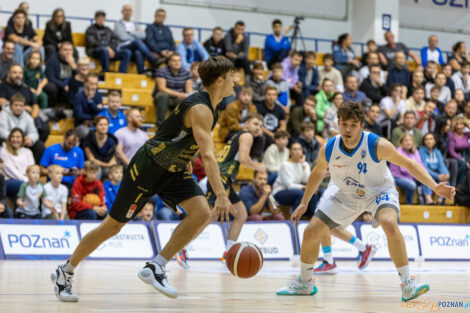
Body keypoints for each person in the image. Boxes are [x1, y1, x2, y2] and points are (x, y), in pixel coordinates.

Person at [51, 56, 235, 301]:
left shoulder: (214, 105)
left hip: (174, 167)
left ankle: (156, 266)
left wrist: (186, 154)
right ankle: (65, 271)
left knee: (201, 212)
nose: (236, 81)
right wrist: (221, 195)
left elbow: (176, 131)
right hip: (149, 166)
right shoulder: (201, 108)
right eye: (232, 77)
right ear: (220, 80)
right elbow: (209, 157)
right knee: (112, 226)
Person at [276, 101, 454, 300]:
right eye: (344, 124)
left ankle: (408, 284)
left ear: (362, 125)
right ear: (338, 123)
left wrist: (434, 186)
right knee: (310, 232)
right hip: (347, 195)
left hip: (380, 192)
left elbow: (410, 164)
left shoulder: (376, 144)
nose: (347, 129)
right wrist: (304, 202)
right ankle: (305, 283)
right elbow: (317, 174)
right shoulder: (329, 147)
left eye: (353, 125)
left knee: (388, 222)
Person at [206, 113, 266, 260]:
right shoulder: (247, 136)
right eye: (255, 124)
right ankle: (183, 248)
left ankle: (228, 252)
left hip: (224, 178)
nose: (258, 127)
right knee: (208, 215)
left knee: (241, 214)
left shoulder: (240, 136)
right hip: (221, 177)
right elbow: (243, 159)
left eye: (260, 125)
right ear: (246, 124)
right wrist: (258, 167)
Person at [0, 64, 49, 144]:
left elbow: (35, 105)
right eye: (15, 73)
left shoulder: (26, 88)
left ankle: (30, 145)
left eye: (20, 73)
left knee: (44, 128)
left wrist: (32, 119)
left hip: (26, 118)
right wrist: (21, 107)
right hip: (8, 117)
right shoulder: (2, 86)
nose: (18, 75)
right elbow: (1, 101)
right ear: (8, 74)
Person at [272, 142, 319, 217]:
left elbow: (307, 180)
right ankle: (294, 218)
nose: (298, 151)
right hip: (280, 192)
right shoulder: (285, 165)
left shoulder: (305, 164)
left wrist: (303, 164)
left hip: (297, 190)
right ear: (290, 151)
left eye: (299, 149)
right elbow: (289, 185)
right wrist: (304, 187)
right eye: (295, 149)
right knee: (302, 194)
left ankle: (311, 217)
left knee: (314, 193)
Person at [0, 93, 44, 163]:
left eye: (21, 106)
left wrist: (30, 139)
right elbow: (2, 132)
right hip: (9, 141)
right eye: (16, 105)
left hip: (23, 142)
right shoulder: (3, 114)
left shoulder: (26, 116)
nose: (18, 108)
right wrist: (17, 138)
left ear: (24, 107)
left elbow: (34, 132)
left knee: (40, 145)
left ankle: (33, 170)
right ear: (11, 105)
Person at [114, 4, 157, 74]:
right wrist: (136, 34)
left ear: (132, 12)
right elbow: (122, 37)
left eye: (130, 10)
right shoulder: (118, 24)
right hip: (123, 46)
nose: (128, 12)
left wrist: (130, 32)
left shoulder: (135, 24)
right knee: (137, 41)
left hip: (134, 48)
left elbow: (143, 35)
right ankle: (152, 59)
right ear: (122, 11)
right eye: (126, 10)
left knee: (138, 52)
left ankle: (141, 73)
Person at [153, 53, 193, 127]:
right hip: (163, 98)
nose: (177, 63)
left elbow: (189, 90)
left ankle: (180, 128)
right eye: (174, 61)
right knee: (163, 96)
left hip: (178, 99)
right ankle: (160, 126)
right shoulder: (161, 71)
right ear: (169, 62)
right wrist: (179, 94)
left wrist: (190, 95)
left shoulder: (186, 73)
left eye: (179, 61)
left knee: (189, 100)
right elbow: (162, 89)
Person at [390, 133, 427, 204]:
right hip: (397, 177)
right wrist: (418, 173)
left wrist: (424, 172)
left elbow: (420, 164)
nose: (408, 142)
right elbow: (404, 169)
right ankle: (409, 204)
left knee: (426, 179)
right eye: (406, 140)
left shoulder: (415, 151)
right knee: (412, 185)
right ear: (401, 142)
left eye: (410, 140)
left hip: (411, 175)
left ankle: (425, 202)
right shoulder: (398, 151)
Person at [0, 128, 35, 200]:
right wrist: (26, 181)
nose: (15, 139)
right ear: (9, 138)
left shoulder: (28, 152)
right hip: (8, 181)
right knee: (23, 186)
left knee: (39, 188)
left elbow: (31, 169)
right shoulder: (4, 151)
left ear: (22, 139)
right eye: (13, 137)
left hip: (25, 180)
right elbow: (11, 170)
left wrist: (30, 180)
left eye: (18, 137)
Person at [82, 116, 118, 180]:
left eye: (106, 125)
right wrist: (107, 165)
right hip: (92, 165)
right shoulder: (88, 138)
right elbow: (91, 159)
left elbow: (114, 158)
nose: (104, 127)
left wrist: (110, 165)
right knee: (97, 170)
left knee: (117, 171)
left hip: (107, 166)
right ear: (95, 126)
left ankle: (114, 189)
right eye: (101, 125)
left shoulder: (113, 140)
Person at [419, 133, 450, 204]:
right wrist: (437, 176)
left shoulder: (437, 152)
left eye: (430, 139)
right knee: (427, 178)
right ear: (424, 141)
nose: (428, 141)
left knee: (445, 181)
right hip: (427, 173)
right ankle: (429, 200)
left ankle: (440, 201)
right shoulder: (421, 151)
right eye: (426, 139)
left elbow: (441, 165)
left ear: (434, 141)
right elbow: (424, 167)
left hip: (437, 174)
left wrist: (446, 174)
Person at [45, 40, 77, 106]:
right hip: (58, 85)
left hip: (70, 85)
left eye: (70, 50)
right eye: (65, 50)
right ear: (60, 51)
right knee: (51, 87)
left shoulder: (75, 60)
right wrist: (63, 86)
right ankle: (52, 108)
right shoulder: (52, 59)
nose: (68, 52)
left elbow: (80, 77)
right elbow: (50, 77)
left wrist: (73, 66)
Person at [73, 73, 103, 138]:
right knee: (89, 133)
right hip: (81, 125)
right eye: (92, 84)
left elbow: (100, 112)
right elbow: (79, 116)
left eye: (96, 84)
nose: (94, 86)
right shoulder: (79, 96)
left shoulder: (98, 95)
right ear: (85, 84)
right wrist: (94, 117)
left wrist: (90, 102)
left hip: (95, 124)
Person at [448, 116, 470, 187]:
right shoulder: (452, 135)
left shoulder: (466, 134)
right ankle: (459, 185)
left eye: (461, 124)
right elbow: (451, 151)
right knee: (463, 165)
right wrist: (462, 159)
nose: (459, 126)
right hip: (456, 157)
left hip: (466, 156)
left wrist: (468, 125)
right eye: (457, 124)